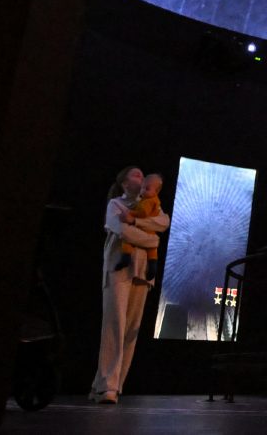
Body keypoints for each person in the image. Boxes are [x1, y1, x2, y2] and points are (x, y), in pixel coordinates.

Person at [89, 166, 170, 405]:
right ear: (124, 182)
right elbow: (121, 229)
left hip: (142, 271)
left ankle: (105, 385)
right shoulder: (115, 204)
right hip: (118, 269)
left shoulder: (152, 205)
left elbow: (163, 225)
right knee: (115, 324)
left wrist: (136, 223)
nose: (141, 176)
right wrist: (148, 235)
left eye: (142, 174)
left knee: (131, 329)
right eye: (135, 174)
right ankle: (108, 387)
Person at [113, 173, 165, 282]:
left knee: (127, 242)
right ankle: (152, 268)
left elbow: (143, 213)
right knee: (152, 252)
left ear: (156, 192)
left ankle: (126, 258)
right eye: (142, 188)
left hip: (145, 230)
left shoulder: (150, 201)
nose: (142, 191)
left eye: (146, 189)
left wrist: (131, 214)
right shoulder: (147, 199)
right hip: (150, 233)